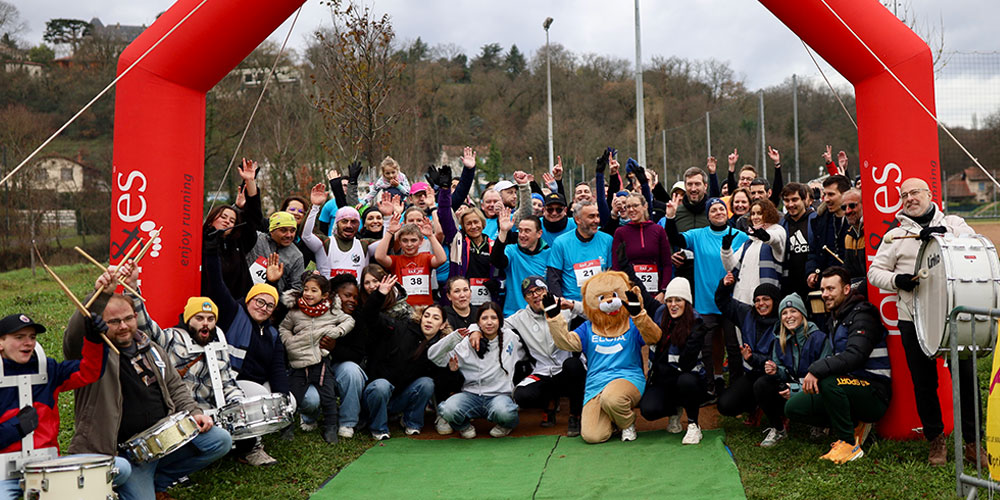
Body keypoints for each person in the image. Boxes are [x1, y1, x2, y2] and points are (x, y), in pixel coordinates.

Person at [65, 267, 231, 499]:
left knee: (219, 440)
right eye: (114, 321)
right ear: (101, 323)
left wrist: (194, 412)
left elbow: (175, 386)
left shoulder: (151, 348)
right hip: (124, 452)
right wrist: (100, 295)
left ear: (135, 317)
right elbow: (73, 338)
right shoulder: (93, 355)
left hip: (163, 440)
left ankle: (159, 481)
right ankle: (128, 483)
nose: (123, 326)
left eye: (128, 318)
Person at [867, 177, 981, 466]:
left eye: (915, 192)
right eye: (904, 195)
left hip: (953, 313)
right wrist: (898, 280)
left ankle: (973, 442)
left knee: (966, 378)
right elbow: (875, 272)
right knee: (924, 382)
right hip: (912, 316)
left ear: (930, 194)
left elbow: (972, 246)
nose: (909, 198)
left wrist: (944, 235)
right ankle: (935, 440)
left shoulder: (953, 223)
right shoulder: (896, 235)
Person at [784, 267, 891, 463]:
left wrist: (816, 370)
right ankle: (853, 424)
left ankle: (849, 444)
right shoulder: (837, 316)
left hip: (873, 391)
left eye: (831, 289)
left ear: (847, 289)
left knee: (828, 382)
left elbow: (855, 355)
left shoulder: (863, 314)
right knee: (794, 407)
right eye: (823, 289)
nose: (825, 294)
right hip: (848, 386)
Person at [544, 271, 662, 443]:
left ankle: (627, 423)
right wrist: (555, 319)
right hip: (596, 384)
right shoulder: (588, 327)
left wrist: (639, 315)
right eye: (602, 298)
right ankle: (614, 419)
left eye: (614, 295)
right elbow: (567, 343)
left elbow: (654, 338)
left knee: (613, 399)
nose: (609, 301)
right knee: (592, 436)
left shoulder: (631, 323)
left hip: (628, 378)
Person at [202, 236, 290, 464]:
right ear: (249, 300)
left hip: (257, 383)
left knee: (285, 398)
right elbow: (217, 285)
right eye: (259, 302)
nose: (264, 308)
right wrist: (211, 251)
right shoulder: (233, 313)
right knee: (258, 395)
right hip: (229, 383)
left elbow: (277, 368)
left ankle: (248, 439)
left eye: (269, 306)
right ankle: (250, 448)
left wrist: (284, 399)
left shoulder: (272, 333)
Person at [0, 312, 106, 500]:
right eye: (19, 337)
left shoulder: (48, 369)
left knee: (122, 467)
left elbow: (89, 371)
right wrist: (16, 428)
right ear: (1, 342)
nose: (28, 343)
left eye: (32, 337)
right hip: (3, 475)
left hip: (48, 467)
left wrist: (94, 340)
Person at [664, 197, 749, 394]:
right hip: (705, 301)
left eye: (721, 209)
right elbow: (675, 239)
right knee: (706, 346)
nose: (718, 212)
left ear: (727, 212)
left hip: (731, 300)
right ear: (708, 215)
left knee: (733, 346)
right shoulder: (698, 235)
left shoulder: (740, 236)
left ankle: (735, 388)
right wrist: (670, 217)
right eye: (713, 210)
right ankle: (710, 386)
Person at [137, 296, 245, 419]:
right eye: (199, 318)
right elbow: (145, 327)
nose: (205, 323)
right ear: (188, 320)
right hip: (180, 416)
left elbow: (228, 384)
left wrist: (239, 404)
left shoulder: (219, 344)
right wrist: (133, 292)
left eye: (210, 319)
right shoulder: (171, 337)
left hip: (212, 415)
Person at [429, 303, 526, 438]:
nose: (489, 322)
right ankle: (464, 427)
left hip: (499, 396)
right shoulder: (466, 342)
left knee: (506, 412)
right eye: (484, 318)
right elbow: (433, 355)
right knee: (447, 409)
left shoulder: (510, 337)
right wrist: (455, 336)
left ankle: (506, 425)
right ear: (478, 322)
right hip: (471, 396)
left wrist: (474, 328)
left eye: (494, 318)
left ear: (500, 320)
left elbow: (526, 352)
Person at [362, 275, 442, 439]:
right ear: (420, 317)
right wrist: (380, 294)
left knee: (427, 383)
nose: (429, 321)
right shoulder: (399, 328)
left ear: (442, 325)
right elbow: (369, 316)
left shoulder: (438, 348)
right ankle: (379, 428)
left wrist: (452, 369)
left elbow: (441, 380)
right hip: (377, 393)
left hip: (400, 399)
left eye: (435, 318)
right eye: (426, 316)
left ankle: (411, 422)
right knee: (381, 386)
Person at [279, 273, 355, 443]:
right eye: (306, 289)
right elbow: (284, 328)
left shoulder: (332, 311)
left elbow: (349, 320)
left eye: (314, 290)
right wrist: (289, 341)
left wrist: (337, 332)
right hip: (299, 363)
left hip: (321, 362)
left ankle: (331, 428)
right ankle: (287, 428)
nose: (308, 293)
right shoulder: (295, 311)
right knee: (293, 397)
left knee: (328, 397)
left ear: (324, 295)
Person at [508, 276, 585, 437]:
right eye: (530, 293)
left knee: (574, 365)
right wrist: (474, 330)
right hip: (542, 371)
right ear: (525, 298)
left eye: (539, 290)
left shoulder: (562, 307)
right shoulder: (520, 318)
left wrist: (573, 305)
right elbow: (492, 323)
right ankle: (550, 401)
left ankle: (575, 415)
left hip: (566, 369)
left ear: (547, 290)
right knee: (521, 395)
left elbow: (595, 313)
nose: (535, 295)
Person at [639, 278, 709, 445]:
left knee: (686, 381)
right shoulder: (659, 313)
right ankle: (674, 410)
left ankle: (693, 424)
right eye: (669, 300)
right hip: (663, 378)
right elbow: (640, 289)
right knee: (648, 410)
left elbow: (686, 363)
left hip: (688, 378)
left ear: (687, 303)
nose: (673, 305)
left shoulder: (697, 324)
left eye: (678, 300)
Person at [756, 293, 831, 447]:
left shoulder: (819, 338)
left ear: (802, 313)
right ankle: (778, 429)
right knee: (762, 384)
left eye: (793, 311)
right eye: (784, 313)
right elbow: (783, 372)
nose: (788, 316)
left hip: (816, 389)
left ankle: (820, 423)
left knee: (826, 387)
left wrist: (797, 390)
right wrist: (776, 370)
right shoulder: (779, 339)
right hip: (792, 385)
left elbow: (825, 374)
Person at [714, 275, 780, 427]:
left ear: (775, 302)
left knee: (763, 385)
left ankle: (781, 415)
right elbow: (723, 302)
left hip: (777, 376)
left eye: (766, 299)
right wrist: (724, 286)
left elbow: (777, 360)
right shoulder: (747, 313)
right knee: (725, 404)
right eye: (757, 300)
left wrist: (751, 358)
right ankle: (755, 407)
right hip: (753, 373)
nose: (761, 304)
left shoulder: (784, 321)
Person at [201, 158, 262, 299]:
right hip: (205, 305)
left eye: (232, 221)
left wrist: (250, 181)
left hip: (236, 304)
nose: (227, 221)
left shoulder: (238, 243)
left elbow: (254, 217)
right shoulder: (198, 241)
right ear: (212, 219)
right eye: (223, 217)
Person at [722, 199, 786, 305]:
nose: (755, 217)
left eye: (759, 213)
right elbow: (730, 267)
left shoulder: (777, 231)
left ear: (769, 214)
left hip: (764, 302)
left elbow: (776, 239)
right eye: (752, 214)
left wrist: (766, 237)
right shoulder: (749, 242)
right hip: (742, 301)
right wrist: (726, 249)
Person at [546, 201, 613, 302]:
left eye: (597, 216)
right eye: (591, 217)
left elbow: (612, 273)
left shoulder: (607, 240)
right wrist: (561, 303)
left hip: (600, 303)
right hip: (572, 304)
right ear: (578, 220)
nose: (596, 220)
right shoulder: (561, 242)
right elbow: (553, 277)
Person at [374, 215, 447, 307]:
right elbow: (379, 256)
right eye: (405, 241)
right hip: (404, 308)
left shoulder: (426, 258)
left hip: (425, 308)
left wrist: (430, 236)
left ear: (420, 242)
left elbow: (442, 259)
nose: (409, 244)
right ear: (400, 242)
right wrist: (390, 232)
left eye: (413, 240)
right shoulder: (396, 261)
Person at [612, 193, 672, 301]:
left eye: (635, 205)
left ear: (645, 206)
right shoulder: (620, 232)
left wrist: (663, 291)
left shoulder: (658, 230)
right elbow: (616, 267)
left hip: (655, 295)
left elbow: (667, 264)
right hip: (630, 293)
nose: (631, 210)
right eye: (628, 206)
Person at [303, 183, 368, 281]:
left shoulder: (365, 245)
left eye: (354, 222)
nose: (349, 225)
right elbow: (306, 236)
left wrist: (388, 220)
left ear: (359, 225)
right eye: (344, 221)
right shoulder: (325, 243)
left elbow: (386, 246)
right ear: (337, 224)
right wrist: (315, 207)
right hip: (328, 290)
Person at [489, 210, 550, 316]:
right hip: (514, 315)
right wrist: (503, 232)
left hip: (542, 314)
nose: (522, 235)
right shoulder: (512, 250)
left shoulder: (549, 253)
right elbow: (496, 261)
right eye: (520, 230)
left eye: (527, 231)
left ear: (539, 233)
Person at [805, 175, 851, 289]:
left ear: (845, 194)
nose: (826, 199)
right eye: (825, 194)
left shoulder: (857, 222)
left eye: (831, 194)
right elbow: (814, 251)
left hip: (850, 284)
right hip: (826, 284)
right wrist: (812, 270)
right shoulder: (820, 221)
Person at [247, 211, 305, 295]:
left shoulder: (297, 256)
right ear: (271, 230)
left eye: (292, 231)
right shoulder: (256, 239)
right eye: (283, 230)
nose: (289, 235)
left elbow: (296, 288)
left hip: (270, 298)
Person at [779, 182, 816, 300]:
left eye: (794, 200)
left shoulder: (816, 220)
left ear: (804, 200)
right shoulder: (781, 225)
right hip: (789, 286)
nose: (790, 204)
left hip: (813, 283)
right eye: (786, 200)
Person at [841, 188, 867, 283]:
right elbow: (848, 270)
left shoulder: (873, 233)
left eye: (852, 206)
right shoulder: (849, 236)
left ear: (864, 205)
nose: (847, 211)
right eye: (844, 207)